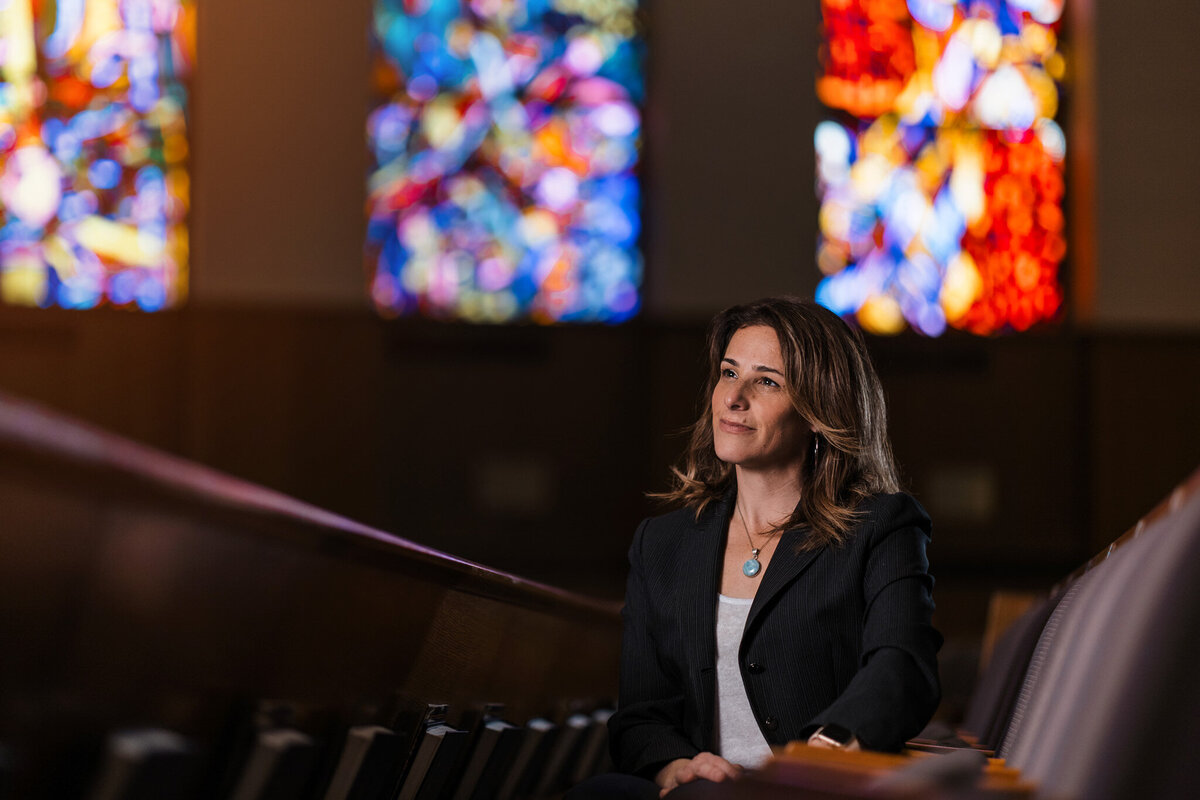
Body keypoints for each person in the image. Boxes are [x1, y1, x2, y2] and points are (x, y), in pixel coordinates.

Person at [569, 298, 941, 799]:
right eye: (728, 373)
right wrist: (675, 767)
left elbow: (902, 665)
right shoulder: (662, 544)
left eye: (766, 381)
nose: (733, 398)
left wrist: (821, 756)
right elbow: (641, 716)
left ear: (819, 409)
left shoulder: (880, 526)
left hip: (815, 788)